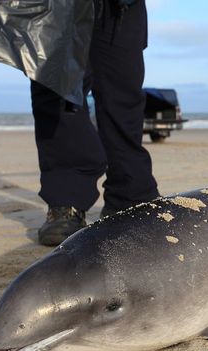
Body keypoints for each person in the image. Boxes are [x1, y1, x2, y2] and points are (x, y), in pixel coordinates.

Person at [32, 0, 159, 246]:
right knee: (58, 90)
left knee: (124, 94)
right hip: (55, 5)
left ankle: (130, 196)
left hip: (123, 7)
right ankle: (66, 201)